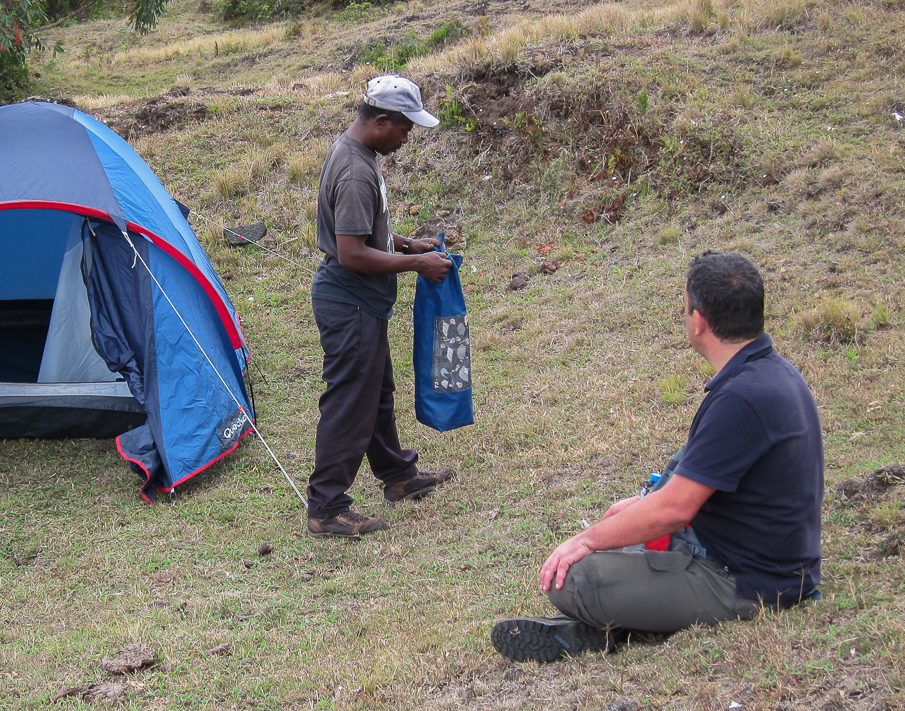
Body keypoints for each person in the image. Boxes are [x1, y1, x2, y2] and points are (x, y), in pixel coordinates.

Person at [491, 251, 824, 661]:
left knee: (573, 580)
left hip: (747, 583)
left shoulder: (741, 397)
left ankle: (605, 629)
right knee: (620, 536)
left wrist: (586, 538)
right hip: (748, 556)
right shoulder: (771, 373)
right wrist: (632, 513)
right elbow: (695, 489)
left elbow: (674, 509)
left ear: (698, 320)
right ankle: (608, 624)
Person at [307, 75, 457, 539]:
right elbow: (351, 252)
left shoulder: (359, 155)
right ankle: (326, 507)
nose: (407, 137)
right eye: (405, 128)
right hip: (348, 304)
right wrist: (416, 267)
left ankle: (397, 477)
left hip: (361, 304)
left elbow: (367, 234)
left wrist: (409, 245)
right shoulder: (355, 171)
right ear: (380, 121)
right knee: (351, 402)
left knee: (376, 394)